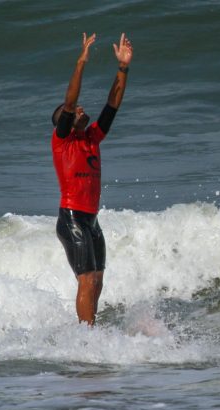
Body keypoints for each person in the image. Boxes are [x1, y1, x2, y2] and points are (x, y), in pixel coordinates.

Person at [51, 32, 133, 325]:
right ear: (65, 121)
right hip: (71, 218)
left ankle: (89, 332)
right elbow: (70, 101)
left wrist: (122, 67)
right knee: (86, 279)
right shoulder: (63, 141)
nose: (80, 110)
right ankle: (86, 342)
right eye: (73, 112)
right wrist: (81, 61)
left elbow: (113, 105)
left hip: (91, 220)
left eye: (80, 109)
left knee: (97, 280)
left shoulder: (93, 138)